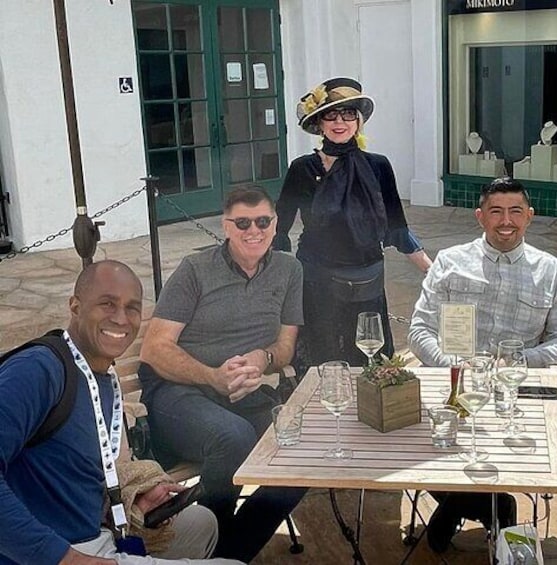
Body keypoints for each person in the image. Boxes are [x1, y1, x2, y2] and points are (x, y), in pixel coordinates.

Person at [0, 260, 238, 564]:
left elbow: (66, 474)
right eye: (107, 304)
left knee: (200, 524)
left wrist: (130, 502)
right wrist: (64, 558)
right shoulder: (39, 369)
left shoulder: (102, 376)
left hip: (96, 534)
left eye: (132, 308)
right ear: (75, 307)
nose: (121, 318)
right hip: (53, 552)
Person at [408, 176, 557, 552]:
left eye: (515, 211)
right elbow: (420, 329)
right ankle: (490, 505)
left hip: (512, 394)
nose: (506, 221)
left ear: (529, 216)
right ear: (480, 216)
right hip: (453, 387)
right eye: (496, 211)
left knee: (525, 455)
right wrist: (451, 365)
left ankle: (461, 505)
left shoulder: (550, 270)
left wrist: (519, 361)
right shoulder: (450, 262)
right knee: (409, 445)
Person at [138, 187, 307, 562]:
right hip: (178, 392)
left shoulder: (289, 270)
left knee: (301, 451)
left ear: (275, 224)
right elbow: (155, 349)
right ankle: (212, 549)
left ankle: (227, 552)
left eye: (262, 221)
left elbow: (285, 347)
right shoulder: (195, 270)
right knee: (233, 437)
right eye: (242, 223)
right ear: (225, 226)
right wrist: (212, 376)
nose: (254, 231)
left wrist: (262, 358)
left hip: (244, 393)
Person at [273, 76, 432, 368]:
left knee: (368, 359)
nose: (339, 122)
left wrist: (432, 271)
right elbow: (278, 228)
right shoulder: (302, 168)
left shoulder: (378, 165)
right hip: (318, 279)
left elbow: (397, 226)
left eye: (348, 114)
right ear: (319, 123)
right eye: (330, 115)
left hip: (367, 280)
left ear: (358, 122)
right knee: (324, 360)